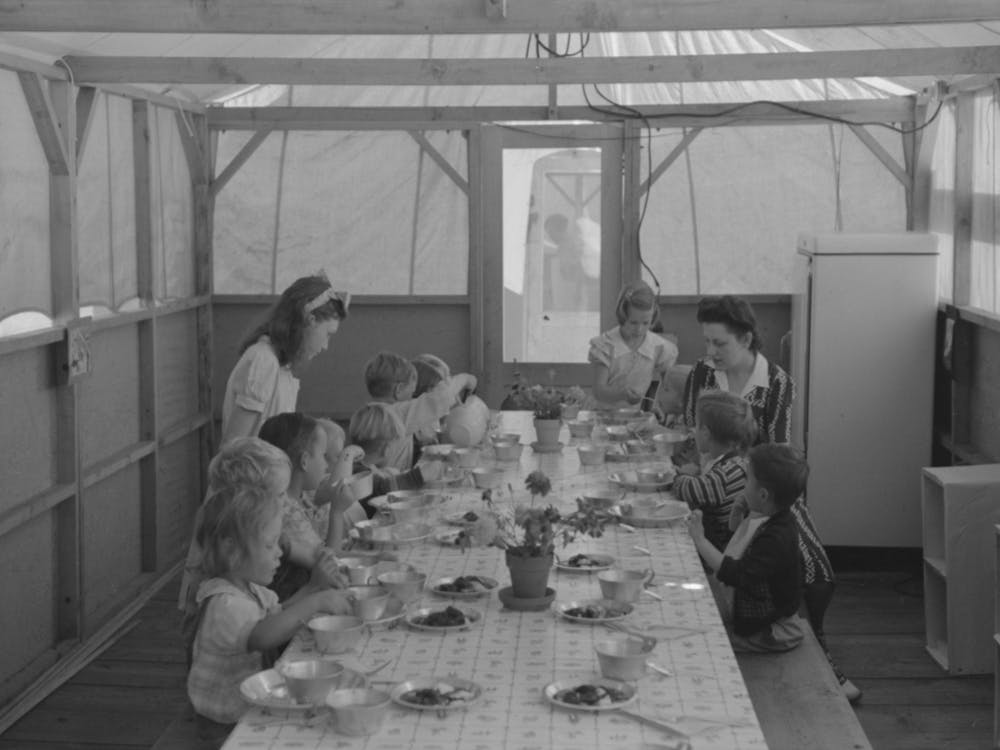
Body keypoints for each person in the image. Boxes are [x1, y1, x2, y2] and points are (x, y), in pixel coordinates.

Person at [186, 483, 353, 728]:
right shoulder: (224, 603)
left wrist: (313, 587)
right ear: (231, 549)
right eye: (269, 545)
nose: (278, 553)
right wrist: (316, 601)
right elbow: (263, 636)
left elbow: (277, 615)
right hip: (223, 724)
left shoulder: (251, 590)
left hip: (250, 703)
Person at [729, 448, 861, 703]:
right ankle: (831, 672)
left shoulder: (772, 514)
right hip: (799, 572)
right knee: (800, 620)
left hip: (812, 578)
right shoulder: (771, 494)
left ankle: (831, 675)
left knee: (808, 627)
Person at [178, 437, 293, 663]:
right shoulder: (222, 591)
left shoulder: (242, 566)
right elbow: (261, 634)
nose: (288, 501)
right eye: (281, 494)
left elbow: (272, 614)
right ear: (250, 503)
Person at [686, 442, 805, 653]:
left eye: (748, 480)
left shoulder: (777, 537)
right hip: (752, 610)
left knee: (705, 641)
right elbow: (743, 553)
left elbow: (736, 573)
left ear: (763, 495)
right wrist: (737, 521)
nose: (743, 484)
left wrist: (700, 541)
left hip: (771, 629)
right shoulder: (767, 515)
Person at [220, 275, 349, 443]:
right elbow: (232, 446)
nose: (326, 345)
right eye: (328, 334)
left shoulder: (281, 366)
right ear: (310, 321)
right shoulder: (263, 360)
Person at [258, 412, 354, 601]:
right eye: (323, 456)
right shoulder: (284, 510)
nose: (327, 465)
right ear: (304, 461)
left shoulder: (300, 499)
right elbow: (330, 561)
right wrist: (337, 511)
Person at [681, 295, 794, 444]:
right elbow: (690, 429)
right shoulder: (702, 371)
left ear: (746, 340)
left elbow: (778, 452)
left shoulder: (778, 382)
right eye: (707, 341)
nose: (710, 352)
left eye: (720, 344)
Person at [363, 350, 477, 471]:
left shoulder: (369, 413)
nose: (413, 396)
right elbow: (439, 398)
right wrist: (466, 379)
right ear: (399, 389)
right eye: (411, 391)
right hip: (391, 484)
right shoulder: (394, 414)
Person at [672, 391, 756, 553]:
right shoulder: (736, 460)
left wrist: (679, 477)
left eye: (696, 426)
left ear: (706, 433)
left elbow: (688, 490)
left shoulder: (725, 474)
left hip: (718, 551)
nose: (692, 430)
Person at [588, 280, 678, 411]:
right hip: (602, 416)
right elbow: (599, 391)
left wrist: (658, 404)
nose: (639, 330)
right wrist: (622, 394)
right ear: (622, 315)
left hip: (633, 418)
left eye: (646, 323)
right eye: (633, 323)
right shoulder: (606, 346)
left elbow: (668, 385)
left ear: (653, 317)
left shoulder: (659, 347)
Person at [347, 402, 444, 519]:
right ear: (386, 449)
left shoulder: (360, 464)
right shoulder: (357, 471)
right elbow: (384, 489)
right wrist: (420, 475)